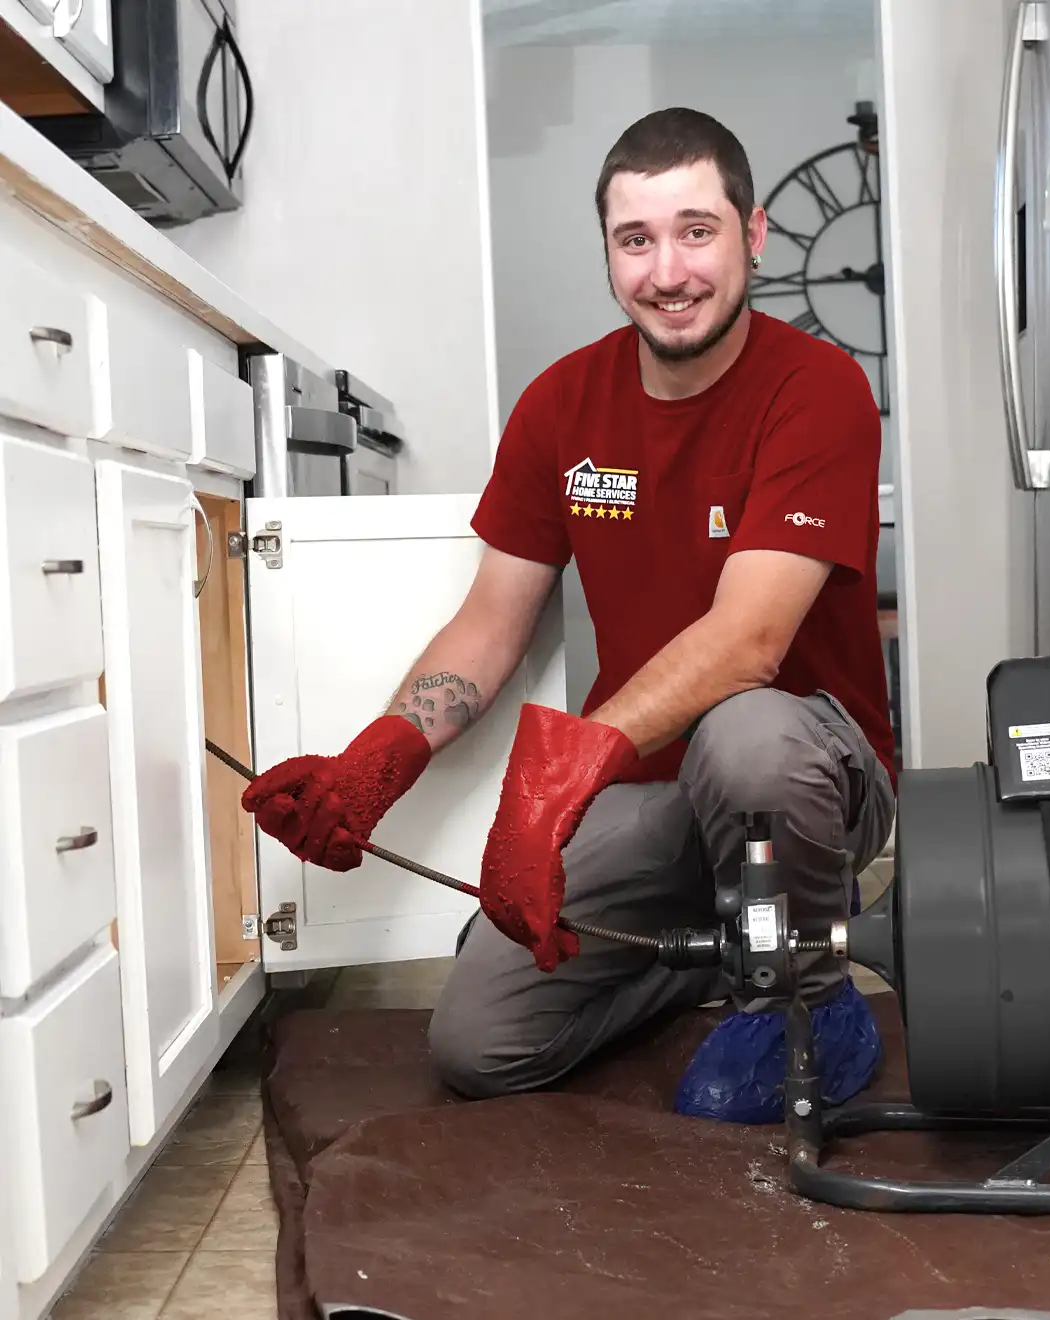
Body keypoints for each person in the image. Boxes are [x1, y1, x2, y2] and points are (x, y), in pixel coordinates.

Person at [240, 107, 896, 1107]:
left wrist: (555, 781)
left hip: (805, 774)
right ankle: (718, 956)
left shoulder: (817, 388)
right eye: (636, 240)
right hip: (652, 789)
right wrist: (379, 762)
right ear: (607, 251)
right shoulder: (561, 405)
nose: (666, 272)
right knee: (479, 1044)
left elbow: (750, 641)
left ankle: (807, 1003)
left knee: (745, 736)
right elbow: (491, 621)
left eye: (695, 231)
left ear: (750, 235)